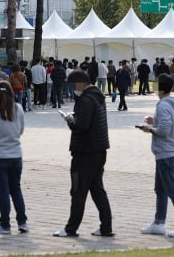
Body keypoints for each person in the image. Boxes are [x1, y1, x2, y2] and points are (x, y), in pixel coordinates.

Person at [53, 70, 113, 237]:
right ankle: (106, 227)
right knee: (97, 190)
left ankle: (71, 228)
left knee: (78, 190)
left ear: (80, 84)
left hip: (85, 151)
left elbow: (82, 126)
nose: (73, 89)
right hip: (99, 149)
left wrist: (70, 120)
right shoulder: (97, 96)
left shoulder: (86, 99)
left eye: (74, 85)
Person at [139, 73, 174, 237]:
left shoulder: (163, 105)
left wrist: (149, 129)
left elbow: (164, 131)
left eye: (155, 85)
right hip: (166, 153)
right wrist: (153, 121)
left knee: (172, 190)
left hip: (166, 153)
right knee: (160, 189)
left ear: (161, 88)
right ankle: (158, 222)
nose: (154, 88)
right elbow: (166, 124)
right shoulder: (170, 104)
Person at [0, 80, 28, 234]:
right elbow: (21, 129)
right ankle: (22, 221)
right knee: (16, 189)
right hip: (16, 154)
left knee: (3, 191)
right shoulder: (19, 109)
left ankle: (5, 224)